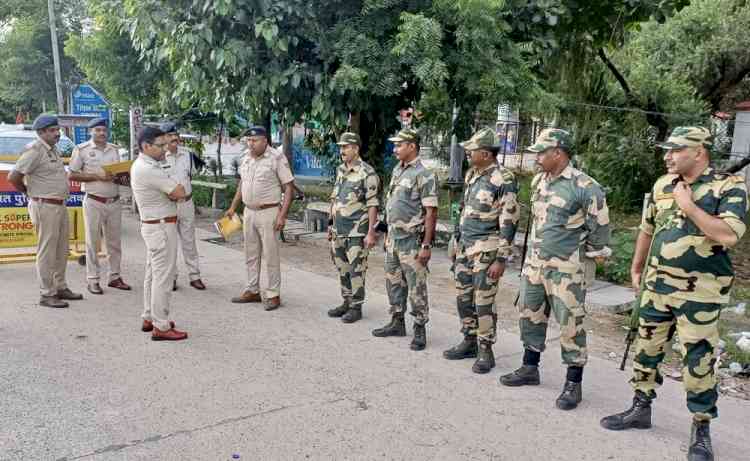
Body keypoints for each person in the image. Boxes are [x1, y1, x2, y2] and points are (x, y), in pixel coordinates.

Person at [600, 127, 748, 461]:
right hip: (657, 286)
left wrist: (690, 206)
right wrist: (636, 267)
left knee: (698, 361)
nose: (667, 156)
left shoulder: (729, 185)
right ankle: (640, 408)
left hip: (700, 294)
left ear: (699, 152)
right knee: (646, 349)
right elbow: (647, 228)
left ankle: (701, 428)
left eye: (675, 149)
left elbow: (729, 235)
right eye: (666, 150)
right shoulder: (661, 185)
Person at [498, 128, 611, 411]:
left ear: (558, 153)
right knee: (531, 315)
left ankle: (573, 383)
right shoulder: (540, 181)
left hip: (567, 270)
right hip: (536, 264)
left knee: (571, 325)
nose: (536, 157)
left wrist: (585, 256)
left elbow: (600, 230)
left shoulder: (585, 187)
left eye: (541, 152)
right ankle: (529, 368)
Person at [443, 128, 519, 373]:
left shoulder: (503, 179)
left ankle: (486, 350)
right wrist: (455, 240)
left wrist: (501, 259)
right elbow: (463, 209)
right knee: (463, 298)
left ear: (485, 153)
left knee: (483, 302)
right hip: (466, 247)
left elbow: (509, 221)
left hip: (487, 250)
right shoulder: (472, 175)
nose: (467, 152)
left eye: (472, 149)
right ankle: (469, 340)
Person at [372, 128, 438, 351]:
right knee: (393, 282)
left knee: (416, 287)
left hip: (412, 241)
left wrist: (426, 245)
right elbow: (393, 204)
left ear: (412, 146)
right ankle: (397, 321)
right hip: (393, 239)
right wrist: (381, 228)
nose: (395, 149)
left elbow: (431, 212)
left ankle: (420, 328)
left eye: (399, 145)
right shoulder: (397, 171)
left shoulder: (424, 173)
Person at [8, 114, 83, 308]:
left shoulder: (53, 149)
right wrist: (29, 193)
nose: (57, 133)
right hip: (44, 205)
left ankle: (60, 287)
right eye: (52, 130)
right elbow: (14, 176)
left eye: (57, 130)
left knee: (61, 249)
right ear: (41, 132)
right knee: (47, 251)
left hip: (58, 204)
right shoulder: (35, 150)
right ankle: (46, 293)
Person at [226, 126, 294, 310]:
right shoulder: (246, 157)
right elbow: (242, 183)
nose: (250, 144)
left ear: (265, 141)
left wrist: (282, 215)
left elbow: (288, 187)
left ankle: (273, 294)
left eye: (254, 140)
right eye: (248, 140)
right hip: (248, 212)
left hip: (269, 212)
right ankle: (252, 290)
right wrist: (233, 207)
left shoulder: (276, 158)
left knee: (271, 255)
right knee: (250, 253)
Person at [130, 126, 188, 341]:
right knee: (163, 277)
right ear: (146, 146)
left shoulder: (148, 164)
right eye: (161, 145)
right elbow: (180, 192)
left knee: (153, 274)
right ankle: (161, 326)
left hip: (156, 225)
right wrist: (175, 188)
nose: (166, 149)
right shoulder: (148, 168)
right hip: (161, 226)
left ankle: (149, 316)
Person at [68, 117, 131, 294]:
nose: (102, 133)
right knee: (92, 242)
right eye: (98, 130)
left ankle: (115, 277)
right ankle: (93, 280)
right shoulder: (82, 150)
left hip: (114, 201)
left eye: (104, 130)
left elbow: (122, 173)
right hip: (94, 201)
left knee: (114, 242)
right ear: (91, 132)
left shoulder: (115, 149)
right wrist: (97, 176)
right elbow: (72, 175)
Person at [326, 132, 380, 323]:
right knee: (342, 268)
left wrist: (371, 232)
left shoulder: (367, 173)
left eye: (345, 147)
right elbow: (335, 198)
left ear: (356, 148)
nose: (342, 151)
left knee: (356, 270)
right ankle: (346, 301)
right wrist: (330, 225)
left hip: (357, 231)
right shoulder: (341, 169)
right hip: (339, 230)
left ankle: (356, 307)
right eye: (340, 147)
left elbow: (373, 204)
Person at [160, 122, 206, 291]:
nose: (175, 139)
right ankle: (171, 277)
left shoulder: (187, 155)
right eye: (170, 136)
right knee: (169, 243)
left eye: (176, 136)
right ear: (163, 138)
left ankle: (195, 276)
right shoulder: (158, 157)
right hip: (168, 205)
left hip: (186, 203)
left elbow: (190, 176)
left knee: (189, 241)